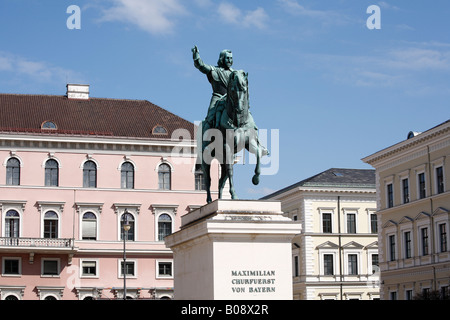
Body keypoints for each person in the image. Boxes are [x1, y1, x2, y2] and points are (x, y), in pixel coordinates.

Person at [192, 46, 234, 129]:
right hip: (217, 98)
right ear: (222, 59)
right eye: (227, 58)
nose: (229, 60)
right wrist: (196, 56)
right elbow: (201, 66)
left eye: (231, 58)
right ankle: (205, 137)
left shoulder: (235, 73)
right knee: (210, 117)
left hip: (231, 99)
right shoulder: (214, 70)